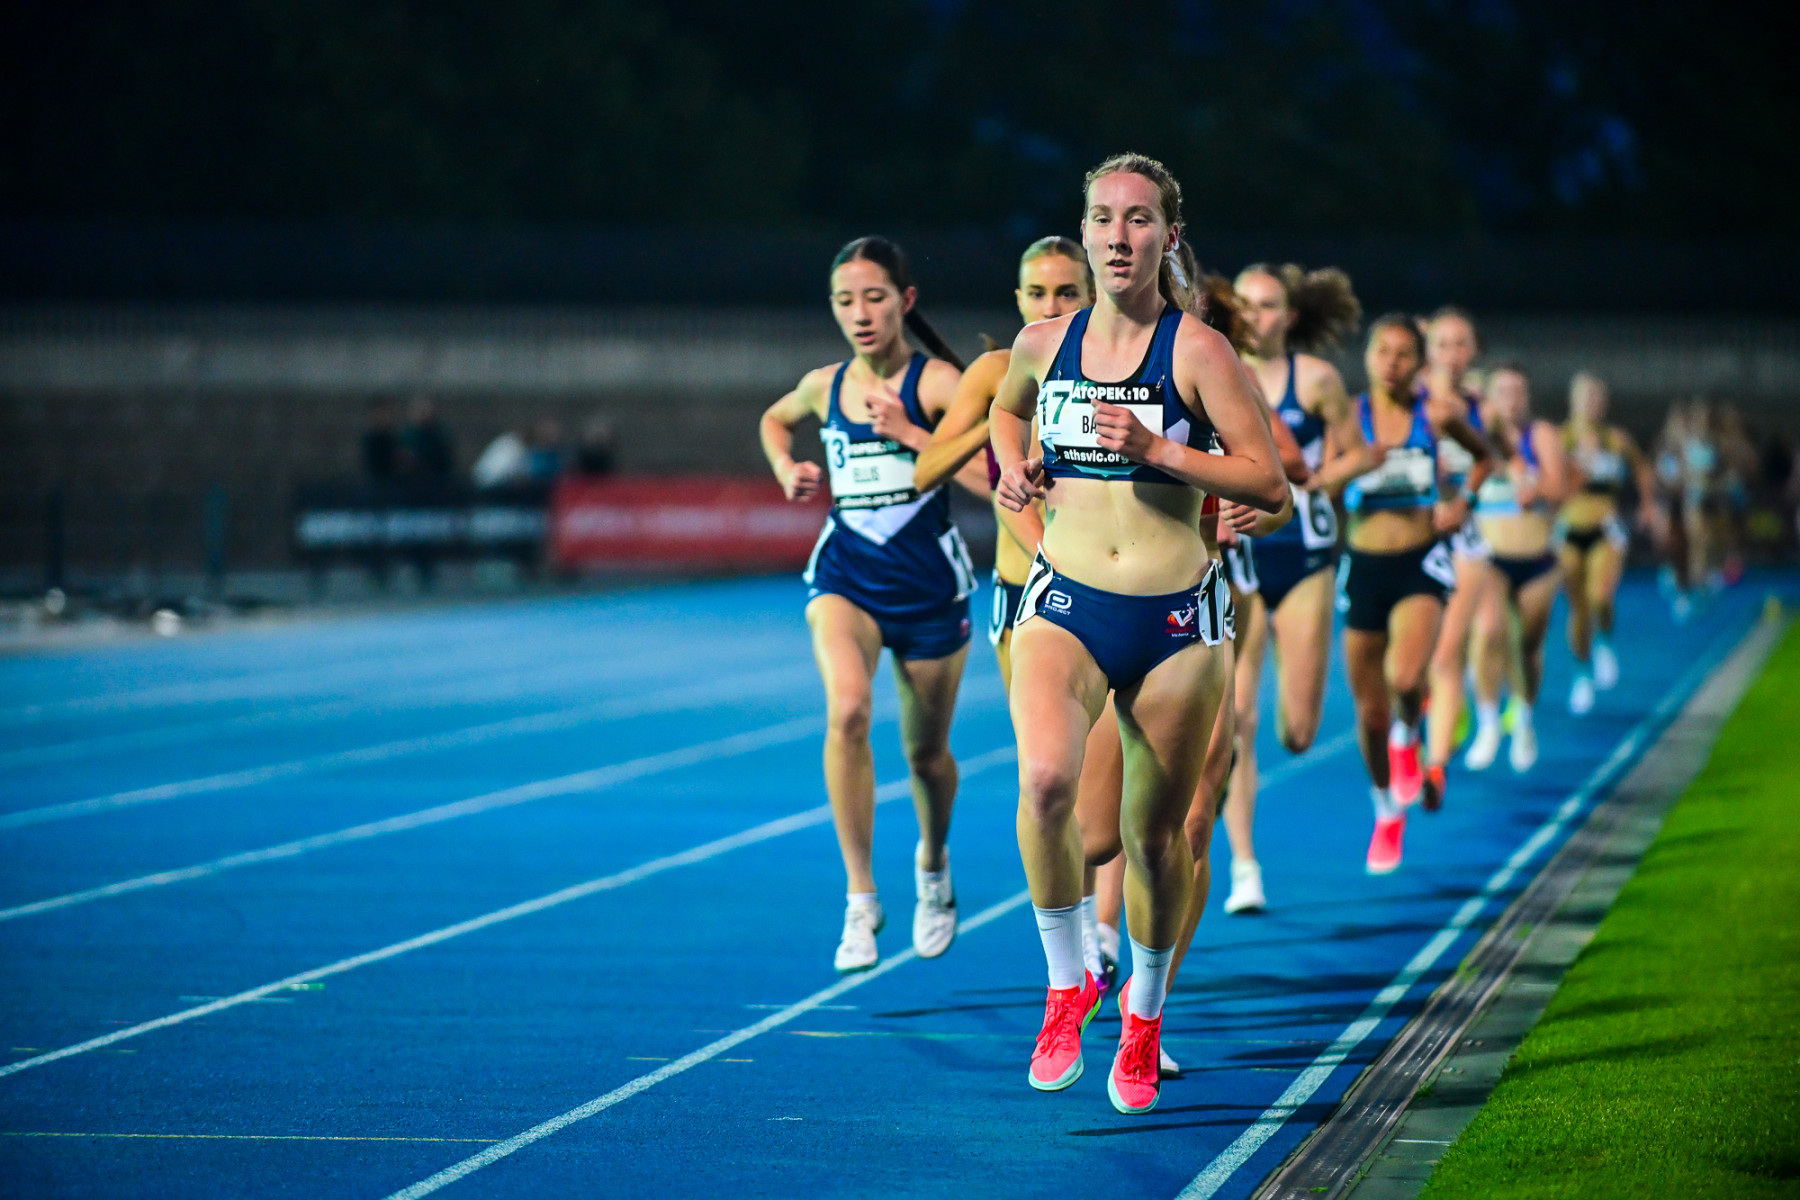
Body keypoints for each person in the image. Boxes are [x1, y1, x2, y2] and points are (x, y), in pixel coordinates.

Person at [991, 154, 1285, 1114]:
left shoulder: (1198, 352)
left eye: (1139, 219)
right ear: (1083, 232)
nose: (1119, 236)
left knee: (1154, 840)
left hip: (1175, 622)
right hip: (1065, 603)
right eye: (1103, 218)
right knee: (1045, 785)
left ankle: (1146, 1017)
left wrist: (1160, 450)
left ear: (1168, 235)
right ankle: (1063, 988)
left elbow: (1269, 483)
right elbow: (1004, 409)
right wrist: (1013, 468)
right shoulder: (1043, 343)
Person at [759, 236, 981, 974]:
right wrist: (785, 464)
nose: (860, 314)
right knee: (848, 711)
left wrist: (913, 436)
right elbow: (773, 418)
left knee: (926, 756)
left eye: (875, 298)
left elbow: (993, 476)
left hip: (928, 588)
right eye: (845, 301)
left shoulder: (939, 383)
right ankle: (860, 898)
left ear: (905, 301)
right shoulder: (824, 386)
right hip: (846, 576)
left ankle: (933, 865)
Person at [1225, 262, 1373, 912]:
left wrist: (1312, 483)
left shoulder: (1315, 379)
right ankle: (1244, 867)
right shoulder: (1217, 369)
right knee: (1238, 717)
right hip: (1243, 558)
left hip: (1306, 557)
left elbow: (1360, 452)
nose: (1254, 316)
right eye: (1244, 304)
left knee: (1298, 732)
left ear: (1289, 315)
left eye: (1267, 305)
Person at [1338, 315, 1494, 873]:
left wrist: (1463, 504)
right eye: (1382, 351)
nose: (1392, 363)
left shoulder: (1437, 414)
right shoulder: (1348, 416)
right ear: (1368, 356)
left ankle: (1409, 734)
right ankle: (1385, 810)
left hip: (1420, 562)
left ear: (1420, 363)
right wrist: (1346, 473)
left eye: (1404, 354)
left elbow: (1484, 459)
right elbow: (1320, 476)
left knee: (1406, 679)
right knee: (1368, 712)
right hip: (1362, 566)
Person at [913, 236, 1094, 686]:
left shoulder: (1118, 374)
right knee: (1037, 736)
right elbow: (925, 472)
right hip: (1024, 594)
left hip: (1101, 587)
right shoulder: (994, 373)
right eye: (1037, 293)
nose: (1050, 308)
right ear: (1019, 299)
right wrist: (1000, 418)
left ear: (1092, 295)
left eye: (1066, 293)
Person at [1463, 364, 1570, 773]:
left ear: (1527, 397)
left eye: (1517, 391)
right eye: (1502, 391)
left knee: (1527, 645)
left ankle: (1523, 718)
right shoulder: (1473, 436)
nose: (1511, 399)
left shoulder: (1539, 435)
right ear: (1489, 397)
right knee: (1490, 631)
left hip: (1537, 558)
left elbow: (1560, 487)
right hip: (1490, 557)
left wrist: (1536, 487)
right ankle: (1488, 721)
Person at [1418, 308, 1505, 803]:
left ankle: (1435, 768)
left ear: (1474, 352)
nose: (1452, 354)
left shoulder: (1481, 408)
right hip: (1412, 536)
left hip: (1463, 537)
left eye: (1461, 344)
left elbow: (1503, 457)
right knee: (1410, 659)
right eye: (1443, 343)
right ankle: (1424, 720)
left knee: (1447, 653)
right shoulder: (1410, 398)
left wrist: (1468, 498)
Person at [1557, 372, 1657, 713]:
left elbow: (1643, 469)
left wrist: (1647, 505)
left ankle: (1605, 640)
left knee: (1600, 596)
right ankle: (1581, 672)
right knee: (1578, 608)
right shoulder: (1560, 439)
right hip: (1569, 528)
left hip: (1606, 527)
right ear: (1573, 401)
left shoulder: (1615, 440)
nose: (1591, 405)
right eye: (1585, 398)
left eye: (1597, 399)